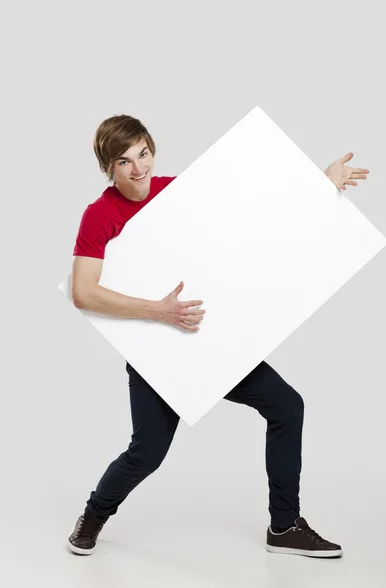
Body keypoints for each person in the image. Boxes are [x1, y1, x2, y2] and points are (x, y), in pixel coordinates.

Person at [66, 114, 369, 558]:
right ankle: (93, 515)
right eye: (123, 161)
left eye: (143, 153)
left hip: (208, 341)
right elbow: (83, 292)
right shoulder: (99, 215)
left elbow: (252, 220)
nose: (138, 168)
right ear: (108, 168)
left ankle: (284, 527)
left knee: (287, 406)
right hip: (154, 350)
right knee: (147, 452)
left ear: (153, 148)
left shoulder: (177, 192)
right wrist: (159, 311)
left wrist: (322, 186)